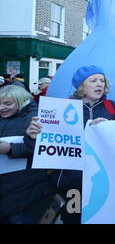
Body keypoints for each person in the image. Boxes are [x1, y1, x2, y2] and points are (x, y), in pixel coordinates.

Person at [27, 65, 115, 224]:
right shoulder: (59, 109)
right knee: (73, 220)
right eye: (93, 80)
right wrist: (32, 137)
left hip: (105, 181)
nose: (99, 84)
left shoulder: (114, 108)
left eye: (102, 80)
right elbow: (42, 147)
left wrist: (110, 128)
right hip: (71, 182)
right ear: (81, 85)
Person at [0, 85, 53, 224]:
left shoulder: (36, 119)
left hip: (25, 188)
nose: (1, 108)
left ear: (22, 101)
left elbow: (44, 149)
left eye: (7, 104)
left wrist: (10, 149)